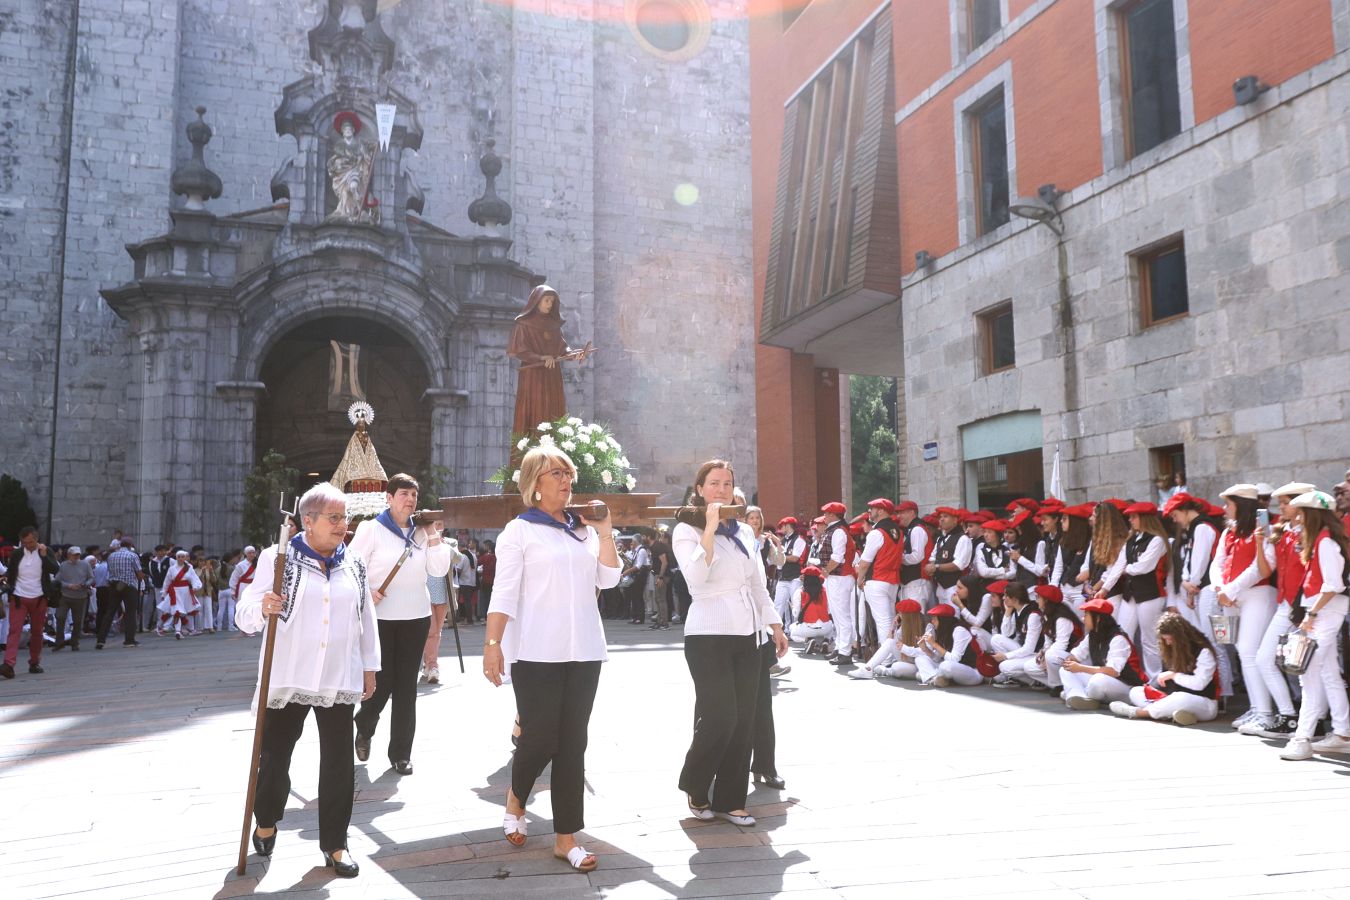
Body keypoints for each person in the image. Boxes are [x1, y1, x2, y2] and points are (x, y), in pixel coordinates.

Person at [483, 447, 620, 872]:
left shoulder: (584, 531)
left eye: (569, 473)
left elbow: (609, 579)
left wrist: (606, 531)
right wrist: (492, 644)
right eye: (556, 473)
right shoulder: (519, 532)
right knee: (540, 738)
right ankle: (516, 797)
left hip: (584, 650)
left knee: (573, 743)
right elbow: (503, 592)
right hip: (536, 650)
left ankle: (566, 837)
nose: (566, 481)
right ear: (534, 483)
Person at [237, 482, 379, 877]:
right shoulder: (278, 557)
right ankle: (266, 817)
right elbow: (245, 608)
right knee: (276, 758)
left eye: (345, 517)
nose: (343, 525)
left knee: (338, 762)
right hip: (290, 675)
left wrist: (370, 666)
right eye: (335, 518)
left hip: (337, 675)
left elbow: (365, 617)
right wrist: (261, 607)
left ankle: (336, 844)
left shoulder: (354, 562)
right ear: (308, 521)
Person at [671, 459, 787, 827]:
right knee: (719, 716)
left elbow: (755, 583)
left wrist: (775, 625)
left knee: (744, 720)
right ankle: (696, 782)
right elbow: (695, 579)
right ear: (699, 489)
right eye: (714, 483)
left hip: (748, 632)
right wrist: (708, 527)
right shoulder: (685, 531)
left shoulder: (745, 533)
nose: (721, 490)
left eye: (727, 483)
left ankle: (732, 800)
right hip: (708, 632)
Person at [351, 474, 451, 776]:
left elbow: (439, 568)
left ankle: (401, 754)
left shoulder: (422, 532)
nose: (410, 500)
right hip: (380, 618)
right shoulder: (372, 529)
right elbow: (351, 567)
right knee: (382, 683)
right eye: (404, 494)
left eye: (414, 495)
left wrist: (433, 534)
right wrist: (368, 591)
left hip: (416, 616)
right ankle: (365, 725)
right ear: (390, 498)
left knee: (407, 688)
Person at [1279, 491, 1350, 761]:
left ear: (1311, 514)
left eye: (1300, 512)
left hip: (1325, 612)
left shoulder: (1325, 542)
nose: (1297, 517)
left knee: (1306, 671)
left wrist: (1311, 614)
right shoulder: (1324, 540)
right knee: (1328, 671)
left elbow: (1333, 585)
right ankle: (1342, 733)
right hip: (1323, 611)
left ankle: (1303, 737)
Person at [1240, 482, 1315, 738]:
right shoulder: (1282, 531)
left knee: (1310, 668)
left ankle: (1308, 721)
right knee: (1272, 660)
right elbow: (1266, 569)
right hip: (1286, 605)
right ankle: (1291, 717)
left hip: (1304, 606)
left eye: (1285, 502)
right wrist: (1260, 542)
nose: (1279, 508)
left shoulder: (1311, 532)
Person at [1209, 484, 1278, 731]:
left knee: (1250, 652)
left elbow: (1263, 565)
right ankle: (1257, 708)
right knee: (1243, 653)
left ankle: (1266, 713)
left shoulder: (1263, 528)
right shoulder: (1229, 531)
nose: (1224, 508)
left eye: (1228, 503)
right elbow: (1217, 562)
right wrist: (1219, 588)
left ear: (1242, 503)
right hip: (1232, 597)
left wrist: (1230, 590)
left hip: (1258, 594)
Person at [506, 285, 594, 436]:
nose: (549, 304)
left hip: (552, 376)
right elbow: (520, 350)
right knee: (535, 410)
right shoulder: (523, 324)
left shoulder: (554, 326)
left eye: (551, 301)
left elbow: (562, 348)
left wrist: (574, 354)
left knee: (552, 410)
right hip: (533, 376)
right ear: (537, 301)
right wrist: (541, 358)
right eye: (546, 300)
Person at [1110, 612, 1220, 725]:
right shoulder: (1170, 648)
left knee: (1180, 698)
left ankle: (1140, 713)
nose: (1168, 643)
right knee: (1136, 691)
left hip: (1203, 702)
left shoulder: (1203, 651)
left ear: (1181, 637)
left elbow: (1200, 683)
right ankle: (1173, 714)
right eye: (1165, 639)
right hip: (1172, 697)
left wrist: (1174, 675)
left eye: (1170, 639)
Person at [1099, 502, 1169, 677]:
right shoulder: (1131, 540)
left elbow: (1144, 566)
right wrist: (1105, 589)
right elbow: (1118, 566)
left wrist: (1126, 569)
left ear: (1144, 518)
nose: (1130, 520)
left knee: (1149, 639)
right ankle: (1121, 672)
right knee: (1122, 633)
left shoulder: (1157, 539)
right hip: (1131, 594)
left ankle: (1155, 678)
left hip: (1150, 594)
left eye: (1134, 517)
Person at [1059, 597, 1148, 711]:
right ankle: (1078, 696)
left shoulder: (1118, 638)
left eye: (1086, 615)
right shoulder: (1092, 635)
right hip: (1105, 683)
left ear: (1098, 619)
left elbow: (1113, 671)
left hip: (1127, 686)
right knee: (1065, 669)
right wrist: (1067, 663)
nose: (1083, 618)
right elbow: (1075, 656)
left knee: (1098, 680)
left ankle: (1077, 693)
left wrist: (1080, 668)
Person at [2, 527, 58, 678]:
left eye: (31, 542)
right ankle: (8, 664)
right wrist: (5, 577)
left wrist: (45, 556)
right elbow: (11, 570)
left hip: (39, 597)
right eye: (24, 542)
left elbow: (55, 569)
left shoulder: (46, 551)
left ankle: (34, 662)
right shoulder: (17, 553)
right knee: (14, 630)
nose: (28, 545)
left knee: (37, 632)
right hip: (18, 597)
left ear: (37, 539)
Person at [855, 499, 902, 646]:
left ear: (881, 510)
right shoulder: (899, 531)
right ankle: (893, 657)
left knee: (883, 621)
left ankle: (887, 659)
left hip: (877, 579)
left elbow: (865, 562)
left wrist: (859, 579)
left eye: (872, 508)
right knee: (890, 620)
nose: (869, 511)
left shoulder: (876, 532)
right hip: (893, 580)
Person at [1021, 585, 1081, 695]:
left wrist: (1046, 656)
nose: (1037, 600)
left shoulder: (1062, 618)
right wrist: (1043, 651)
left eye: (1038, 597)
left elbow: (1061, 644)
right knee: (1029, 667)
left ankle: (1057, 686)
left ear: (1046, 600)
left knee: (1051, 656)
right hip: (1057, 655)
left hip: (1071, 655)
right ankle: (1062, 685)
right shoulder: (1047, 615)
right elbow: (1048, 640)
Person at [817, 501, 857, 665]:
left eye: (826, 513)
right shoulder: (835, 530)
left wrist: (826, 570)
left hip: (840, 577)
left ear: (833, 515)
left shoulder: (838, 531)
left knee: (842, 616)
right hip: (836, 577)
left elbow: (837, 557)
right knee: (837, 615)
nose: (824, 516)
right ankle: (841, 648)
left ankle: (845, 652)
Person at [911, 603, 982, 687]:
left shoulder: (959, 630)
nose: (932, 622)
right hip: (953, 670)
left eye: (934, 619)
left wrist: (934, 644)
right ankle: (934, 678)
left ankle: (929, 676)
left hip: (972, 671)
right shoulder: (943, 632)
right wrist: (925, 649)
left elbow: (954, 659)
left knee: (945, 666)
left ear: (943, 620)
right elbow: (938, 658)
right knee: (920, 658)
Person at [989, 581, 1043, 686]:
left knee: (1004, 666)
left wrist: (1005, 656)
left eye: (1006, 595)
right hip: (1025, 650)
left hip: (1036, 654)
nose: (1003, 598)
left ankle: (1037, 681)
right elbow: (1006, 634)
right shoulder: (1018, 610)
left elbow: (1029, 648)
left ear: (1014, 598)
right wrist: (1008, 611)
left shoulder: (1032, 615)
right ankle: (1026, 679)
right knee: (996, 639)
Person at [98, 538, 144, 650]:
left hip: (114, 585)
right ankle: (129, 640)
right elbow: (139, 573)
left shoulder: (111, 556)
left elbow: (110, 571)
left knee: (110, 612)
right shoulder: (132, 555)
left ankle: (101, 640)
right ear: (130, 545)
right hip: (128, 585)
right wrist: (142, 576)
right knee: (130, 612)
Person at [926, 507, 972, 607]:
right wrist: (930, 567)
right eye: (940, 517)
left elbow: (958, 565)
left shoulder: (963, 538)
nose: (941, 519)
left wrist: (936, 567)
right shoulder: (939, 539)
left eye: (945, 517)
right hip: (940, 586)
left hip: (955, 587)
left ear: (955, 520)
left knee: (954, 618)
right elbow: (932, 558)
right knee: (943, 619)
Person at [53, 545, 94, 651]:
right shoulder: (63, 565)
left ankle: (74, 642)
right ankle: (59, 642)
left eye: (78, 555)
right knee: (60, 617)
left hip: (80, 596)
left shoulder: (85, 565)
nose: (76, 557)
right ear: (69, 555)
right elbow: (57, 580)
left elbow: (91, 578)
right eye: (74, 555)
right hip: (65, 596)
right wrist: (68, 585)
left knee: (77, 621)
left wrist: (85, 584)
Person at [788, 565, 834, 652]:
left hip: (808, 627)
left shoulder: (799, 591)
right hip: (826, 628)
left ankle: (808, 641)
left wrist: (793, 607)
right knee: (831, 625)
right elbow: (829, 611)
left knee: (792, 631)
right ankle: (826, 641)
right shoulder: (825, 591)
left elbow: (796, 614)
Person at [156, 550, 202, 638]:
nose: (180, 559)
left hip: (186, 592)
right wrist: (164, 593)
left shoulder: (189, 567)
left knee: (186, 611)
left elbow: (194, 578)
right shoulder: (172, 568)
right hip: (175, 592)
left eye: (182, 557)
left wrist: (195, 586)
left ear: (185, 558)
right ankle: (177, 631)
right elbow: (167, 581)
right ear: (176, 558)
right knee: (176, 611)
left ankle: (189, 629)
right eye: (179, 557)